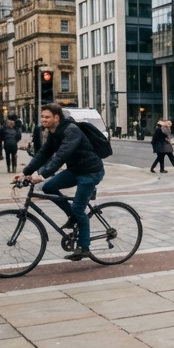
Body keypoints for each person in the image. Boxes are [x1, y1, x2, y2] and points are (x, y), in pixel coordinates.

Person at [20, 103, 105, 261]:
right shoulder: (55, 132)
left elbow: (61, 156)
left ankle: (84, 247)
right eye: (42, 117)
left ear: (56, 117)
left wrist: (43, 173)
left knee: (79, 210)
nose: (43, 120)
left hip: (90, 172)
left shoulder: (71, 130)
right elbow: (44, 153)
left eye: (47, 117)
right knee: (49, 188)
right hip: (75, 170)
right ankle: (72, 215)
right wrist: (25, 172)